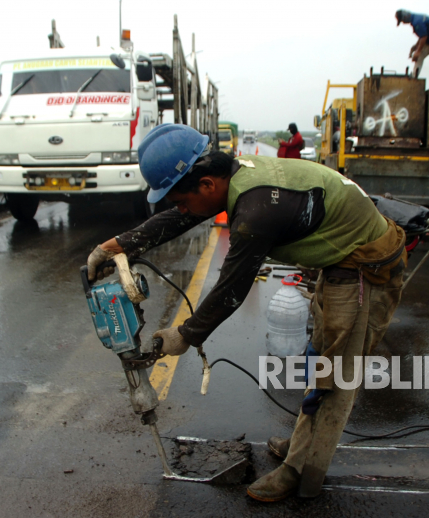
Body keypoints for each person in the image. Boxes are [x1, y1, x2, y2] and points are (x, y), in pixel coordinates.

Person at [86, 124, 407, 502]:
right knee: (319, 360)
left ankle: (301, 474)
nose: (182, 211)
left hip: (364, 268)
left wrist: (185, 335)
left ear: (207, 184)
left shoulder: (256, 213)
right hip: (341, 259)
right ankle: (302, 443)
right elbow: (184, 216)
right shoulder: (235, 175)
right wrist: (115, 246)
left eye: (181, 200)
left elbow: (231, 291)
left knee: (334, 379)